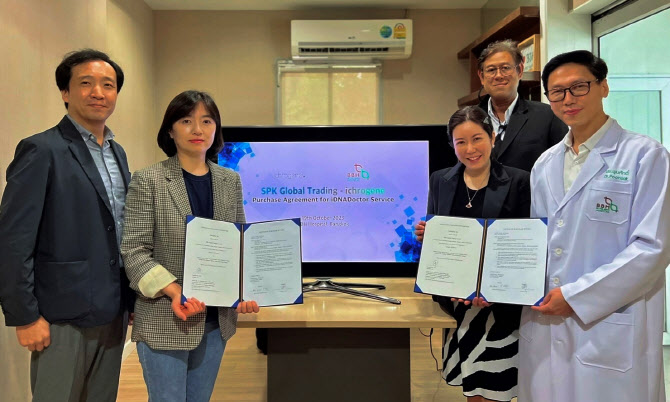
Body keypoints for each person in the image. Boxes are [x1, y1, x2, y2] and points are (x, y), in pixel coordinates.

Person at [518, 50, 670, 402]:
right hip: (545, 321)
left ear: (603, 87)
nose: (568, 99)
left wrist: (575, 296)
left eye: (579, 87)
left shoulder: (645, 156)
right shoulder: (545, 164)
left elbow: (652, 249)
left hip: (609, 325)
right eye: (557, 92)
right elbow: (536, 241)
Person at [0, 49, 133, 401]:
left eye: (108, 85)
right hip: (60, 313)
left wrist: (131, 297)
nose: (98, 92)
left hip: (112, 306)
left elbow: (119, 229)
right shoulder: (41, 150)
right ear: (65, 92)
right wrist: (25, 317)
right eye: (85, 83)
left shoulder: (117, 153)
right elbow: (13, 240)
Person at [121, 90, 260, 402]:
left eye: (206, 121)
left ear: (216, 128)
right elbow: (134, 251)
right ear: (170, 130)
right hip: (165, 316)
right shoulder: (148, 180)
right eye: (187, 121)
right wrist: (174, 291)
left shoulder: (230, 180)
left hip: (215, 321)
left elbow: (240, 246)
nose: (198, 130)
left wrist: (245, 291)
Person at [414, 106, 530, 402]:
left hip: (499, 305)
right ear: (452, 145)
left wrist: (495, 290)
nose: (470, 149)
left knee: (495, 390)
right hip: (458, 304)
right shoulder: (441, 179)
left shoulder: (519, 181)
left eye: (477, 139)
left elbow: (524, 246)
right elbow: (437, 239)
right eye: (460, 142)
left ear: (492, 137)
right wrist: (428, 235)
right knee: (472, 391)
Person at [477, 40, 567, 172]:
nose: (498, 76)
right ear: (482, 76)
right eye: (491, 70)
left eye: (505, 68)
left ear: (520, 70)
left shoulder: (548, 115)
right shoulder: (470, 119)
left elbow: (565, 166)